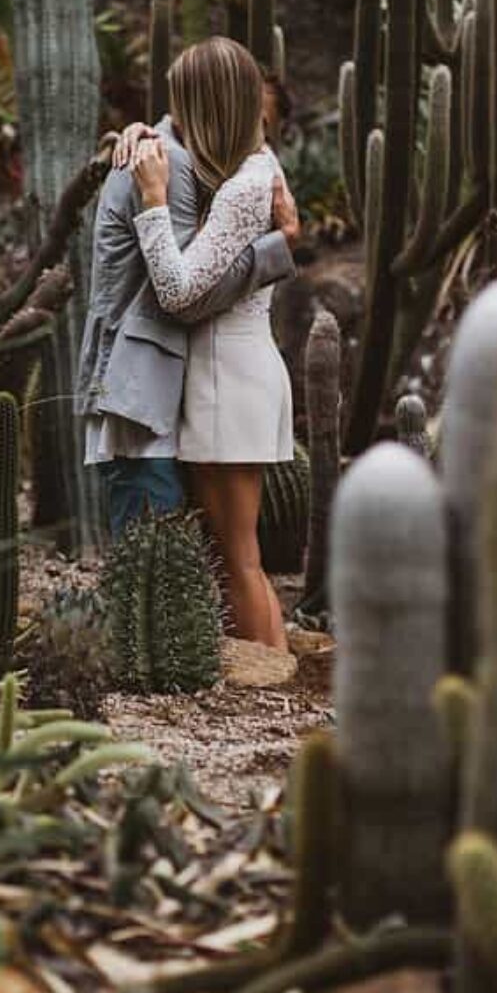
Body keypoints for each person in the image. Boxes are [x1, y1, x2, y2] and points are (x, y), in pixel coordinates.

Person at [123, 37, 298, 651]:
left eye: (184, 104)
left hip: (229, 375)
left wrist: (150, 205)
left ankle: (263, 692)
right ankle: (270, 677)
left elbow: (176, 289)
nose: (178, 117)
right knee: (237, 557)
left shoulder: (244, 189)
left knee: (239, 558)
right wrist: (143, 130)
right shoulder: (259, 167)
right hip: (235, 369)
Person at [77, 72, 300, 542]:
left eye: (258, 121)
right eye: (240, 112)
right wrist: (276, 251)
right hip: (141, 400)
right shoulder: (163, 163)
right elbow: (185, 299)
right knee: (153, 572)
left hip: (167, 402)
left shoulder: (231, 171)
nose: (246, 130)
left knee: (179, 573)